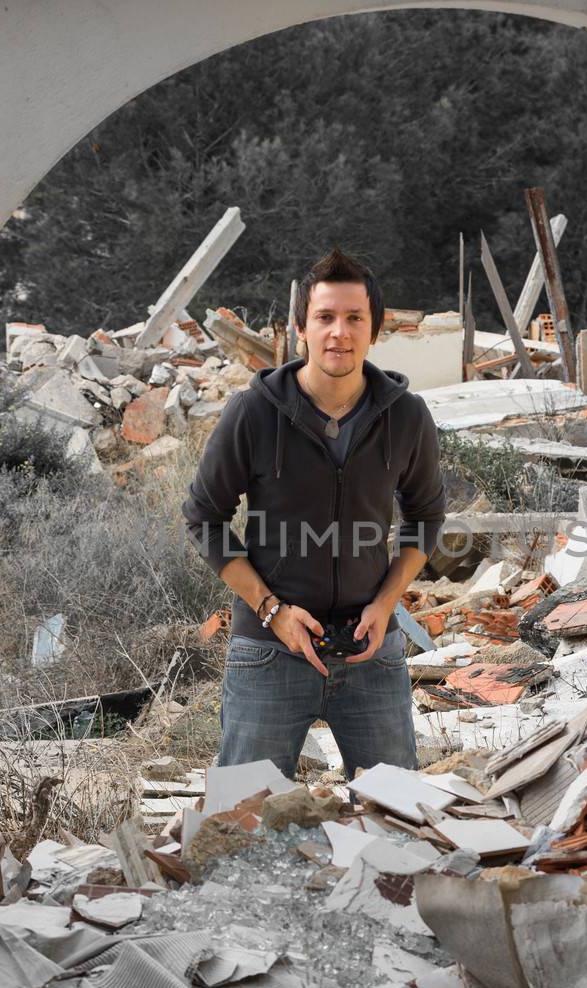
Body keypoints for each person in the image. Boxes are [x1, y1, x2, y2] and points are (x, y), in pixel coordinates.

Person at [182, 248, 446, 778]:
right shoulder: (252, 412)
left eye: (354, 318)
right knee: (243, 824)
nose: (338, 333)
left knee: (394, 826)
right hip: (269, 653)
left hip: (372, 651)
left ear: (375, 329)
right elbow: (204, 519)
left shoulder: (408, 416)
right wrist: (272, 610)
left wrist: (387, 603)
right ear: (300, 326)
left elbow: (426, 516)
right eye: (324, 317)